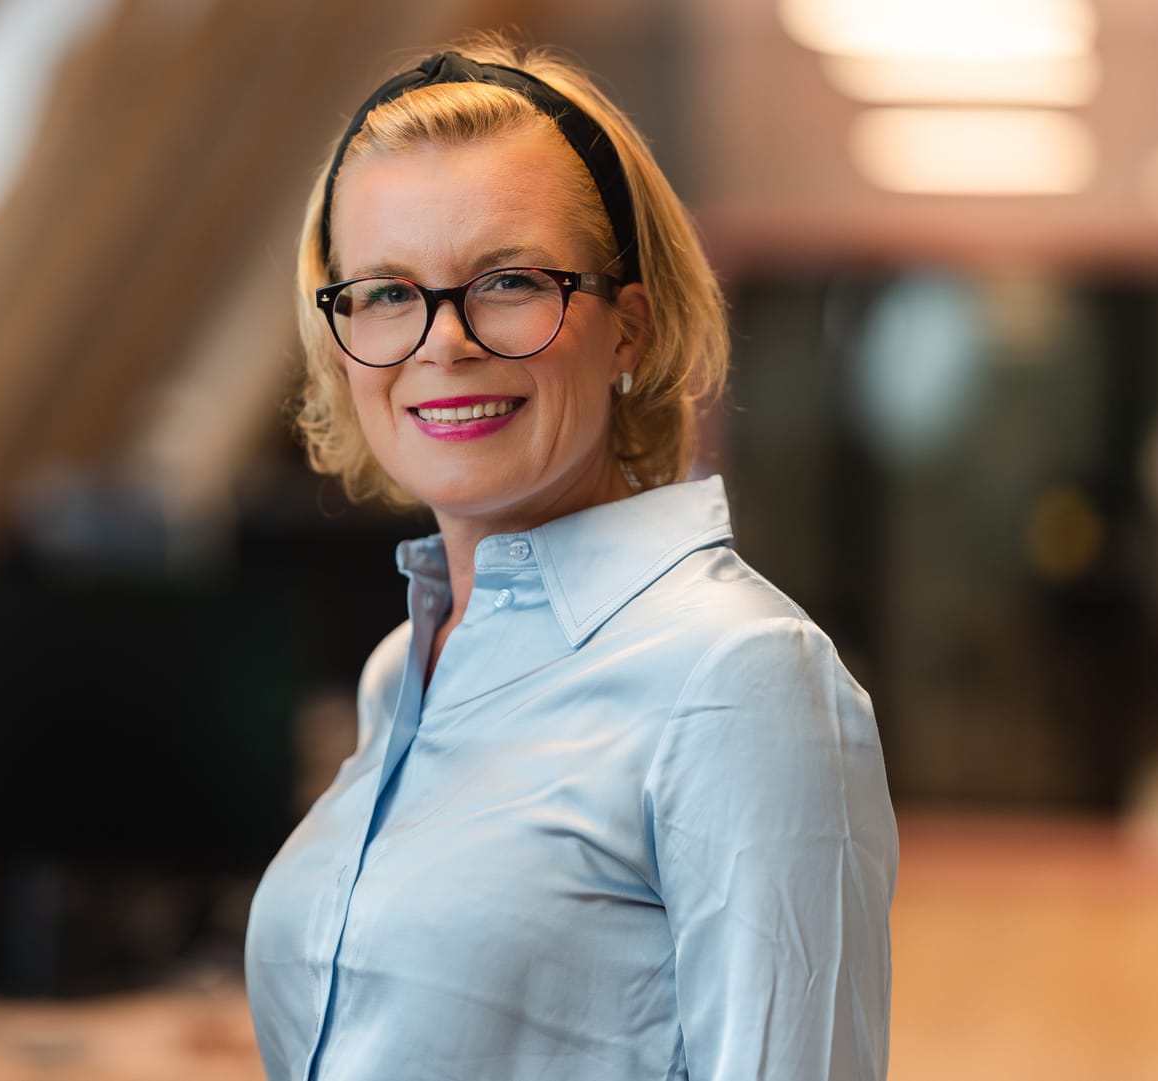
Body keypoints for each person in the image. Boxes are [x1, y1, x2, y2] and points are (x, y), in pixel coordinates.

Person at [244, 34, 899, 1080]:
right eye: (385, 291)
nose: (440, 342)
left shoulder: (741, 677)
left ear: (628, 327)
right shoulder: (399, 674)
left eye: (507, 281)